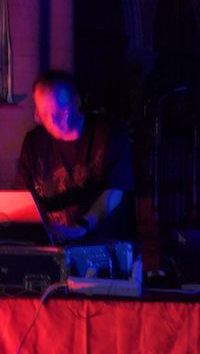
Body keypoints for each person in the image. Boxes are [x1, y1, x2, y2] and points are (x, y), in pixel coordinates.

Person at [15, 70, 134, 243]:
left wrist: (80, 227)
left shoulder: (109, 134)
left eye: (60, 112)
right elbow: (25, 196)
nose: (53, 121)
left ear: (77, 102)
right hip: (52, 242)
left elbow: (114, 192)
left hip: (103, 242)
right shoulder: (34, 142)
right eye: (45, 114)